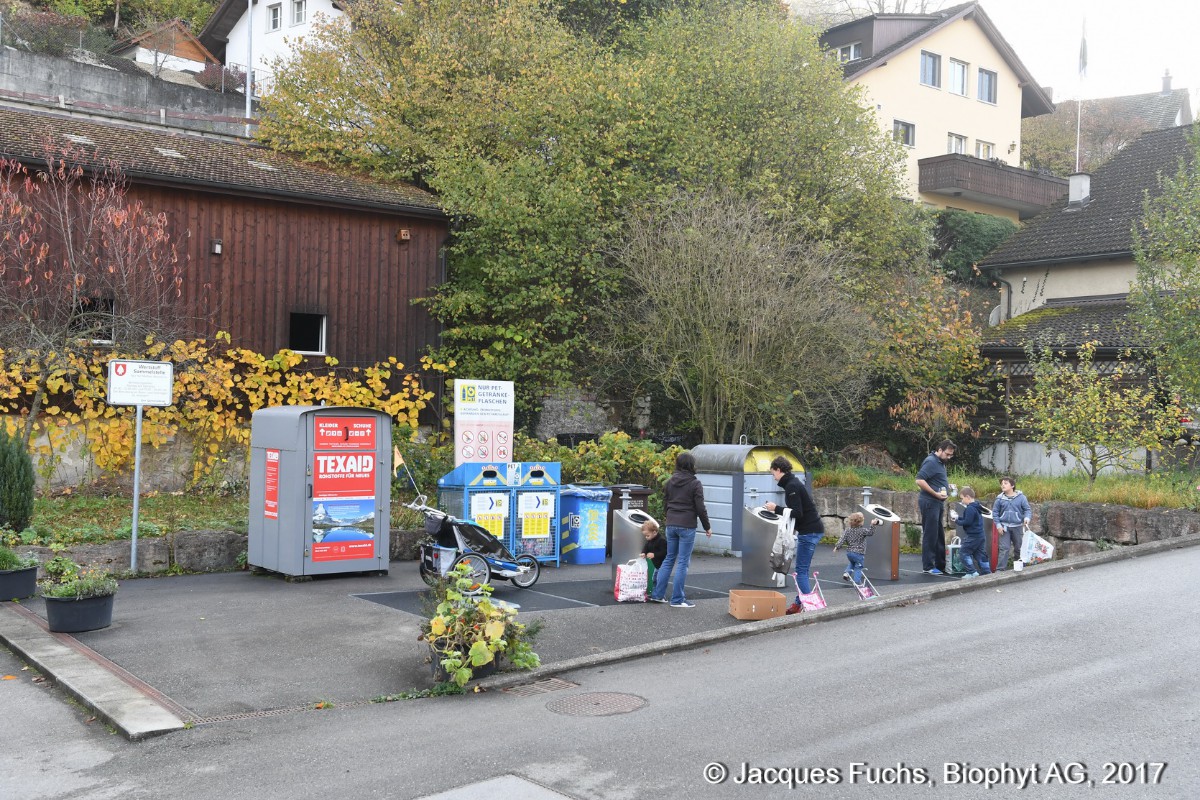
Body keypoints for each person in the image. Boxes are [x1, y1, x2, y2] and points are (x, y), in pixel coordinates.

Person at [648, 452, 712, 608]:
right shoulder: (695, 483)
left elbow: (666, 503)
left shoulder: (670, 482)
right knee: (683, 562)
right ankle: (677, 599)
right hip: (687, 525)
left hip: (671, 523)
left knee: (669, 559)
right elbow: (700, 508)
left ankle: (657, 594)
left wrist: (668, 518)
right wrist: (707, 526)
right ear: (691, 466)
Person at [764, 456, 823, 615]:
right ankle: (798, 604)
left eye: (773, 473)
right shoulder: (793, 483)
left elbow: (797, 512)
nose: (773, 477)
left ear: (778, 469)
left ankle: (811, 607)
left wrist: (775, 508)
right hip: (811, 530)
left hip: (809, 532)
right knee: (802, 570)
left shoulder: (792, 486)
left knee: (801, 572)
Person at [915, 439, 956, 575]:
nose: (949, 457)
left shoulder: (940, 462)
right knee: (931, 535)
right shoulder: (931, 461)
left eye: (951, 455)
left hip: (937, 502)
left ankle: (940, 565)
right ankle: (928, 566)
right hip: (930, 502)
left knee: (938, 534)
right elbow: (919, 480)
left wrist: (946, 486)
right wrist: (935, 494)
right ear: (939, 450)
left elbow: (934, 480)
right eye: (947, 454)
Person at [992, 476, 1032, 571]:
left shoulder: (1021, 498)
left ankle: (1019, 567)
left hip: (1017, 527)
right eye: (1001, 484)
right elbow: (995, 513)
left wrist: (1027, 518)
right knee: (1004, 549)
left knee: (1019, 548)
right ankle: (1000, 570)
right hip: (1004, 527)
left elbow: (1027, 510)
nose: (1003, 485)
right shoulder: (999, 499)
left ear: (1012, 485)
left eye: (1005, 483)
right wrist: (998, 525)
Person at [952, 486, 991, 578]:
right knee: (980, 554)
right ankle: (987, 572)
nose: (961, 501)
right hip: (980, 535)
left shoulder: (970, 508)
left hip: (973, 536)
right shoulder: (977, 506)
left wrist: (956, 520)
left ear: (968, 497)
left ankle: (971, 572)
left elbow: (967, 522)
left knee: (963, 552)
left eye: (962, 498)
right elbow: (970, 519)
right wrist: (958, 518)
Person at [833, 511, 881, 585]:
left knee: (852, 562)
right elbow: (871, 532)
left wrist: (837, 547)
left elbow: (842, 539)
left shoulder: (847, 530)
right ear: (861, 522)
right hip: (859, 553)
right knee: (858, 567)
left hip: (849, 553)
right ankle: (857, 582)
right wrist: (872, 524)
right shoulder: (862, 530)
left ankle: (846, 573)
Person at [640, 518, 666, 594]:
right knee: (654, 579)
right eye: (645, 536)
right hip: (657, 565)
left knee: (659, 580)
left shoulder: (661, 541)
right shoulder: (650, 540)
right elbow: (646, 547)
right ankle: (655, 594)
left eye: (647, 535)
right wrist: (644, 553)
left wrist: (654, 554)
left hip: (662, 565)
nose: (646, 537)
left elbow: (665, 552)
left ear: (654, 532)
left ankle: (659, 594)